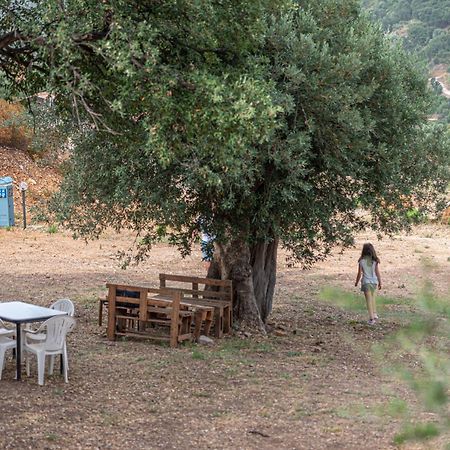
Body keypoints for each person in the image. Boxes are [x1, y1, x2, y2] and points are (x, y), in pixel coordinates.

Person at [354, 243, 382, 325]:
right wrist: (380, 282)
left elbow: (359, 273)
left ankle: (371, 318)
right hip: (374, 282)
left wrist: (356, 282)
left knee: (368, 300)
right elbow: (377, 272)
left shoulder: (361, 261)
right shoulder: (375, 261)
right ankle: (375, 313)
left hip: (366, 282)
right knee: (373, 298)